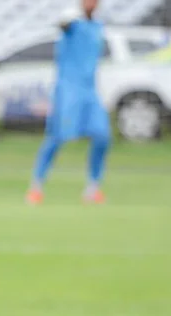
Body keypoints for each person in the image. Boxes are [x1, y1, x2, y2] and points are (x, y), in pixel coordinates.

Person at [26, 0, 110, 206]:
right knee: (57, 137)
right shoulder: (72, 21)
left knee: (102, 136)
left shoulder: (98, 26)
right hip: (68, 90)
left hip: (89, 90)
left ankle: (93, 188)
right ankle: (36, 186)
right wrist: (68, 19)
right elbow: (63, 24)